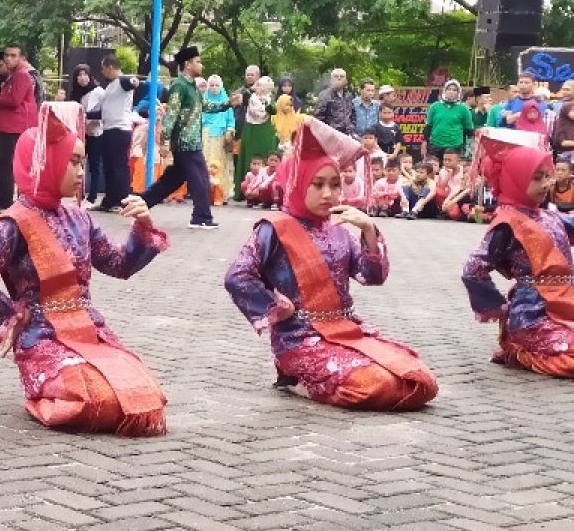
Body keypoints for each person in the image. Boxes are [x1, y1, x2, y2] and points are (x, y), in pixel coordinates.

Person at [0, 103, 169, 435]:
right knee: (91, 399)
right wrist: (13, 321)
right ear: (43, 161)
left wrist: (143, 226)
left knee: (145, 396)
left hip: (90, 330)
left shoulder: (79, 218)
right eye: (73, 161)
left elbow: (119, 265)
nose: (80, 171)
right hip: (42, 338)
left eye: (82, 163)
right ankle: (41, 390)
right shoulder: (13, 223)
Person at [224, 117, 438, 410]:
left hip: (347, 331)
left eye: (335, 185)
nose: (329, 194)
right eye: (319, 184)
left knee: (420, 380)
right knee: (378, 386)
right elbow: (238, 276)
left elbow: (371, 276)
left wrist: (369, 231)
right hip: (299, 340)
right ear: (298, 184)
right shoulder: (274, 228)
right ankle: (299, 379)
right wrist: (277, 307)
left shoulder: (337, 228)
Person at [462, 130, 574, 377]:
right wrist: (498, 308)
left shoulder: (550, 216)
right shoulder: (507, 224)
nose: (546, 184)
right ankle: (519, 348)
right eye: (537, 178)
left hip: (566, 305)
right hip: (533, 316)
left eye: (548, 176)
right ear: (517, 179)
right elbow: (473, 269)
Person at [139, 46, 230, 229]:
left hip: (191, 142)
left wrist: (229, 103)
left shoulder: (192, 87)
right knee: (201, 178)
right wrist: (164, 142)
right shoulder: (179, 87)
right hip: (185, 143)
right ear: (187, 65)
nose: (201, 65)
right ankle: (201, 217)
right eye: (198, 61)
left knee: (171, 181)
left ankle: (138, 203)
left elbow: (206, 106)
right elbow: (171, 115)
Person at [0, 44, 38, 211]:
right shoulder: (14, 75)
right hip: (12, 125)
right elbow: (12, 97)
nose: (8, 59)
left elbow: (14, 101)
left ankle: (7, 203)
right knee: (7, 165)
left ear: (21, 58)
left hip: (15, 126)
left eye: (13, 56)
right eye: (7, 55)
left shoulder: (21, 75)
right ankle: (12, 202)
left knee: (7, 165)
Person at [89, 55, 138, 211]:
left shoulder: (122, 82)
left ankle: (124, 202)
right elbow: (104, 112)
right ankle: (110, 201)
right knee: (109, 167)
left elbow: (130, 82)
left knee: (119, 167)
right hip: (108, 129)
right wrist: (84, 113)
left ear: (110, 67)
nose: (103, 73)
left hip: (120, 130)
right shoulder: (110, 87)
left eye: (103, 69)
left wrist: (134, 81)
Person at [235, 76, 278, 200]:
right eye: (257, 85)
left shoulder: (271, 99)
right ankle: (244, 191)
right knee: (248, 156)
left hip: (265, 130)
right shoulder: (250, 97)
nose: (257, 87)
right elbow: (242, 97)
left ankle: (264, 193)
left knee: (264, 156)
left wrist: (266, 102)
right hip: (250, 129)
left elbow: (274, 111)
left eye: (260, 85)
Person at [71, 65, 105, 205]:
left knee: (95, 165)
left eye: (85, 74)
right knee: (79, 163)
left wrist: (88, 118)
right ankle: (79, 193)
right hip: (81, 133)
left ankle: (93, 196)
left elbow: (105, 112)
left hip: (96, 132)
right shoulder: (75, 94)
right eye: (79, 75)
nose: (82, 77)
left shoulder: (99, 92)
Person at [201, 75, 235, 203]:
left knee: (220, 165)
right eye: (212, 85)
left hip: (221, 136)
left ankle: (220, 194)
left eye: (216, 85)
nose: (214, 88)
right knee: (205, 163)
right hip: (205, 136)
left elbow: (231, 120)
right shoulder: (204, 101)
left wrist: (229, 131)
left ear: (221, 87)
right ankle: (204, 194)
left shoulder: (225, 102)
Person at [421, 79, 474, 160]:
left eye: (454, 90)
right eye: (449, 89)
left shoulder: (464, 109)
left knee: (451, 169)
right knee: (434, 169)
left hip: (455, 146)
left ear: (458, 92)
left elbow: (469, 130)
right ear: (444, 91)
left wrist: (469, 149)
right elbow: (428, 127)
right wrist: (424, 144)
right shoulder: (434, 106)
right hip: (435, 145)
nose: (451, 92)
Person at [314, 68, 356, 136]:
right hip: (332, 135)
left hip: (348, 135)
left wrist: (352, 126)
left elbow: (353, 114)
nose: (339, 78)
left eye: (342, 76)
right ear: (331, 80)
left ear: (346, 80)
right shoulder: (325, 95)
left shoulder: (349, 95)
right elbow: (319, 117)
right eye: (336, 76)